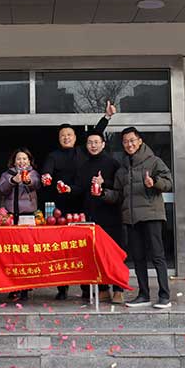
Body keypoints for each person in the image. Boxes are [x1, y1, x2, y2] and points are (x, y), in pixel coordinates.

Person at [41, 101, 116, 300]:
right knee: (61, 249)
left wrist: (107, 117)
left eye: (69, 135)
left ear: (75, 138)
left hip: (83, 206)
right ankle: (62, 287)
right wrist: (46, 177)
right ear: (59, 139)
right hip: (61, 209)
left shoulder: (82, 151)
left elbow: (96, 136)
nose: (66, 137)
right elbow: (46, 173)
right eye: (62, 135)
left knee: (83, 248)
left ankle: (85, 287)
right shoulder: (53, 156)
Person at [105, 127, 173, 310]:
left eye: (132, 140)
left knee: (157, 256)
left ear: (140, 141)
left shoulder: (154, 161)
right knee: (138, 258)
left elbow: (168, 182)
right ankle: (143, 295)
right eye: (126, 141)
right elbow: (118, 195)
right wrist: (102, 193)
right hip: (131, 218)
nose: (129, 144)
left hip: (151, 215)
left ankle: (164, 296)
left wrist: (155, 183)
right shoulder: (122, 168)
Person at [75, 130, 124, 304]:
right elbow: (80, 189)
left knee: (114, 254)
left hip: (112, 215)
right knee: (97, 254)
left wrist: (105, 183)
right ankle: (103, 289)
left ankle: (118, 289)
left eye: (96, 142)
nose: (93, 145)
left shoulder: (113, 163)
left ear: (103, 144)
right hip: (92, 216)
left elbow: (120, 187)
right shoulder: (83, 165)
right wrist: (67, 189)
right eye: (90, 142)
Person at [0, 147, 41, 302]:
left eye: (24, 159)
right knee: (12, 252)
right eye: (19, 159)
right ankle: (13, 286)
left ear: (29, 161)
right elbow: (0, 189)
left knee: (26, 252)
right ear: (14, 161)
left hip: (27, 216)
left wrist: (27, 180)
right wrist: (12, 181)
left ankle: (26, 287)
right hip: (10, 216)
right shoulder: (7, 174)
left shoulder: (33, 173)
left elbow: (36, 184)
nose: (22, 161)